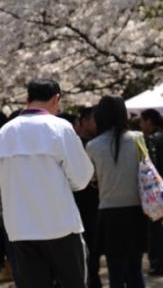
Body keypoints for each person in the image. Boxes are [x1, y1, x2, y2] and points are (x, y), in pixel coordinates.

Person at [0, 79, 94, 288]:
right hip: (60, 224)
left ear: (27, 99)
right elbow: (82, 177)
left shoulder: (4, 132)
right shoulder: (60, 127)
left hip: (20, 228)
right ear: (56, 99)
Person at [86, 96, 147, 288]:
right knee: (135, 269)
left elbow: (92, 178)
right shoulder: (138, 138)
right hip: (136, 210)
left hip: (109, 213)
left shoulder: (93, 146)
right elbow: (146, 169)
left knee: (115, 270)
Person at [139, 109, 163, 276]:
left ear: (149, 121)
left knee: (155, 228)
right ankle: (161, 262)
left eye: (142, 121)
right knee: (159, 226)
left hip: (153, 189)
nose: (140, 125)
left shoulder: (150, 140)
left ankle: (161, 263)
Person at [74, 107, 102, 288]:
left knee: (94, 249)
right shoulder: (78, 144)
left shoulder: (95, 143)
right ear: (83, 121)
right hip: (80, 205)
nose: (96, 123)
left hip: (94, 204)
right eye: (93, 119)